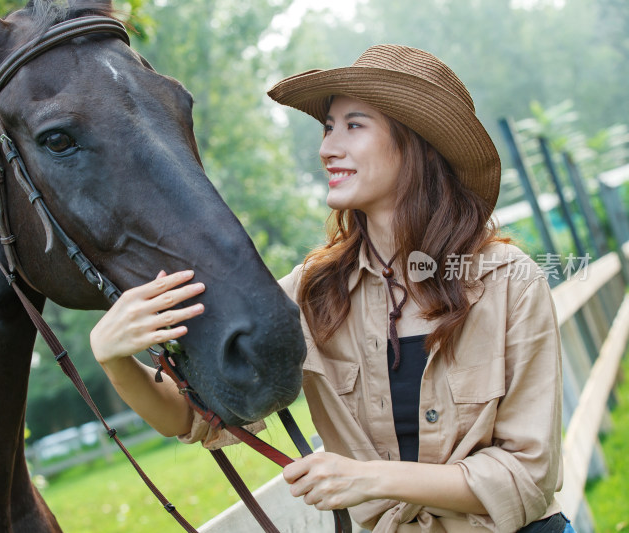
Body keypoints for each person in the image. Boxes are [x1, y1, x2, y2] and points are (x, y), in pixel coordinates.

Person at [90, 45, 569, 532]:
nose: (327, 148)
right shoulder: (313, 292)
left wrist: (371, 478)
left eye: (354, 125)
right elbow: (196, 416)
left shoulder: (507, 280)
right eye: (328, 127)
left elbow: (528, 477)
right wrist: (114, 358)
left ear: (417, 142)